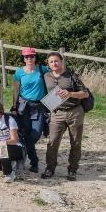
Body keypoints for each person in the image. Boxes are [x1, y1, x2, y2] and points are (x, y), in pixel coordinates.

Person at [42, 52, 90, 181]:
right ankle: (50, 168)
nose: (54, 64)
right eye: (51, 62)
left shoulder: (71, 75)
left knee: (75, 142)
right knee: (52, 142)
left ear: (61, 61)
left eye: (56, 61)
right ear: (48, 64)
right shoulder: (46, 76)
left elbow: (85, 94)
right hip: (57, 113)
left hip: (75, 111)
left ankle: (72, 169)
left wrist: (70, 94)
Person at [12, 47, 50, 172]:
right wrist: (14, 106)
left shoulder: (43, 69)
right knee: (26, 132)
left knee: (34, 134)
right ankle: (34, 162)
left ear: (35, 57)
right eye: (27, 57)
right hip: (23, 106)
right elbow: (16, 90)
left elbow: (55, 78)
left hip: (39, 106)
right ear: (23, 58)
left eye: (31, 56)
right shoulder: (19, 72)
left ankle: (22, 155)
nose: (29, 59)